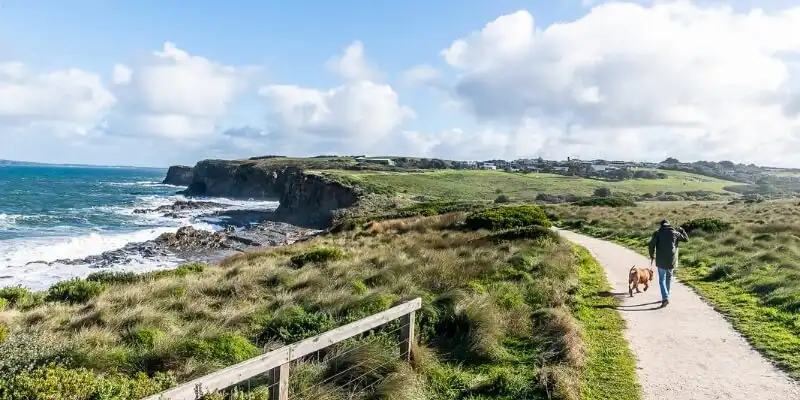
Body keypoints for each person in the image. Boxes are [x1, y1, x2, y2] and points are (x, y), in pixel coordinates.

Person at [648, 219, 689, 307]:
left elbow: (651, 245)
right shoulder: (674, 233)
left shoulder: (657, 233)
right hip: (672, 261)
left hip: (661, 261)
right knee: (669, 278)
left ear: (661, 225)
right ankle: (666, 296)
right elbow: (686, 239)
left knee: (661, 279)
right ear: (669, 225)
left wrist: (651, 255)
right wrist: (682, 230)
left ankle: (665, 297)